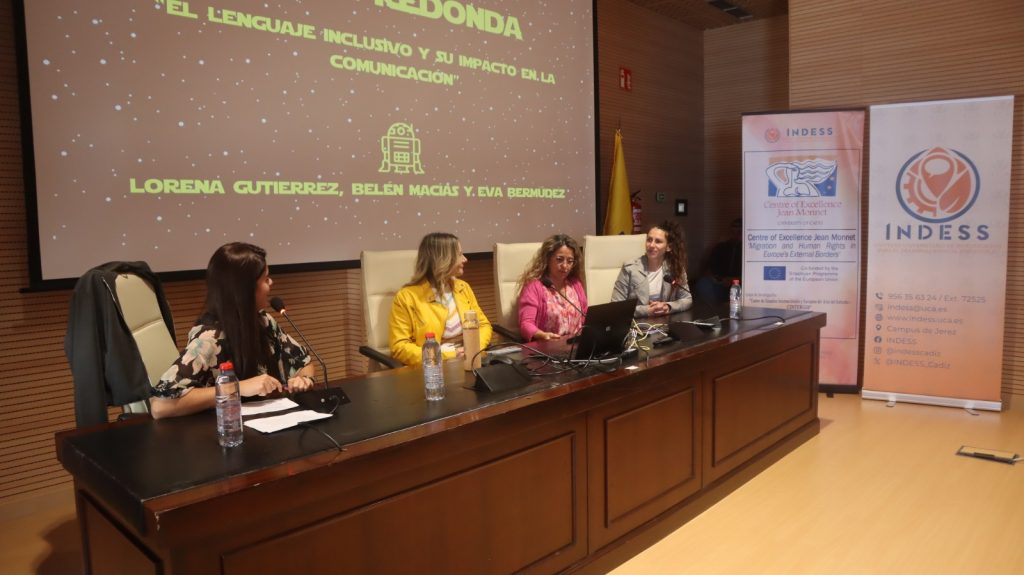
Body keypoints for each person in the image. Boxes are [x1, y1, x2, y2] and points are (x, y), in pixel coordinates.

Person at [150, 243, 316, 419]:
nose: (271, 283)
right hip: (224, 432)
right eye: (266, 279)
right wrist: (237, 388)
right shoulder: (209, 338)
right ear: (245, 290)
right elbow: (160, 407)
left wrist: (303, 379)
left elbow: (304, 364)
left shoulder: (263, 320)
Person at [389, 232, 493, 367]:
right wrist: (447, 355)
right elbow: (399, 347)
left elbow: (483, 325)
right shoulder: (406, 297)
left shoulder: (463, 288)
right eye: (459, 254)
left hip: (470, 360)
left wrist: (473, 347)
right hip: (432, 369)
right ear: (443, 259)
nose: (465, 259)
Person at [611, 221, 693, 317]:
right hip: (637, 325)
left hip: (665, 324)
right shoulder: (630, 269)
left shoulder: (675, 267)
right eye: (649, 240)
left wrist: (668, 306)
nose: (651, 245)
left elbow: (687, 299)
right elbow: (615, 307)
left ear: (668, 247)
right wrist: (647, 310)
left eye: (658, 241)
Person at [516, 234, 588, 341]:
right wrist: (541, 335)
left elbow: (585, 316)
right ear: (548, 259)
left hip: (576, 347)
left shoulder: (575, 284)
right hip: (547, 348)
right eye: (559, 259)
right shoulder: (534, 286)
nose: (565, 266)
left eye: (570, 261)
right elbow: (526, 324)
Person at [695, 217, 742, 305]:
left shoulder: (748, 249)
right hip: (721, 283)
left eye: (739, 232)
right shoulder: (721, 247)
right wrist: (719, 279)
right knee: (703, 284)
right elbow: (711, 268)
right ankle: (715, 311)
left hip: (739, 285)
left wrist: (735, 279)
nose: (736, 235)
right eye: (733, 232)